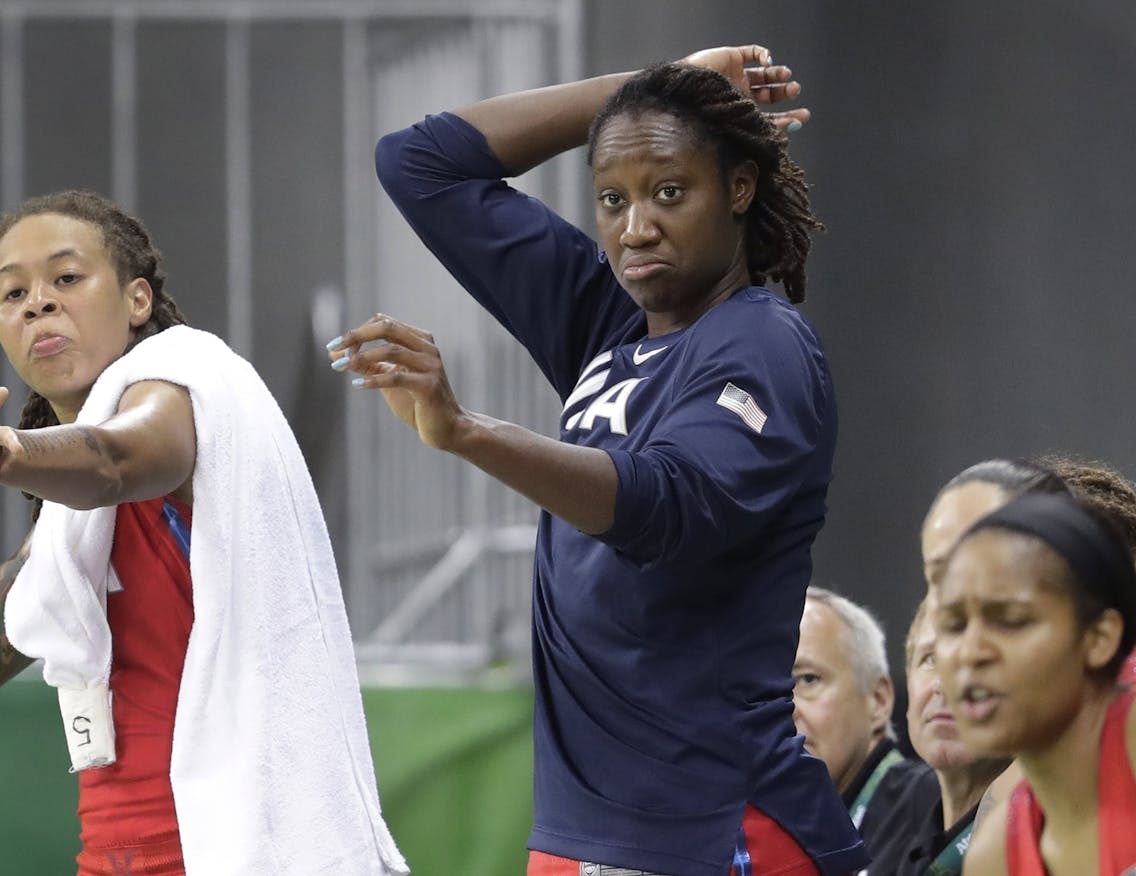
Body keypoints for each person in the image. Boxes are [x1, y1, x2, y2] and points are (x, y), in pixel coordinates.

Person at [329, 46, 865, 875]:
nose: (635, 225)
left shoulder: (763, 343)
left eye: (670, 192)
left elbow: (665, 507)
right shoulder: (609, 326)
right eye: (612, 199)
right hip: (584, 835)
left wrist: (466, 430)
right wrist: (660, 87)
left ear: (739, 189)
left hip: (716, 829)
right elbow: (421, 165)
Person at [0, 190, 408, 876]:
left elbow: (115, 458)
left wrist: (9, 452)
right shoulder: (69, 534)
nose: (38, 303)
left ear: (138, 301)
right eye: (13, 293)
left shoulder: (187, 387)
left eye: (66, 278)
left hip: (236, 849)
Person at [930, 492, 1136, 875]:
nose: (970, 652)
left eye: (1011, 619)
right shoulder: (994, 855)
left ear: (1100, 638)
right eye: (953, 625)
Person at [860, 598, 1009, 876]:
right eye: (931, 659)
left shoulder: (1053, 841)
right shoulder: (903, 845)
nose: (943, 685)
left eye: (977, 662)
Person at [792, 588, 932, 840]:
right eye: (763, 690)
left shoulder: (935, 809)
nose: (782, 709)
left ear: (878, 701)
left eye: (808, 679)